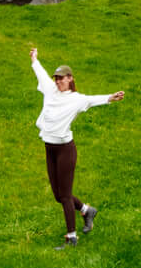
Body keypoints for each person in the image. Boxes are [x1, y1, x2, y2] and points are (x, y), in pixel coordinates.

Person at [30, 46, 124, 248]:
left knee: (64, 195)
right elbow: (41, 73)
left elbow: (93, 100)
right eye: (56, 78)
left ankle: (71, 237)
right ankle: (87, 210)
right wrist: (35, 59)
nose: (58, 81)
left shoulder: (76, 99)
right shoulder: (50, 89)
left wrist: (111, 97)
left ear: (70, 79)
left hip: (65, 150)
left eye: (61, 78)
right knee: (58, 195)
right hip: (50, 148)